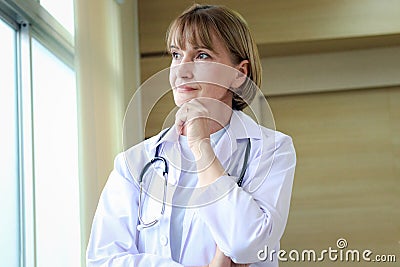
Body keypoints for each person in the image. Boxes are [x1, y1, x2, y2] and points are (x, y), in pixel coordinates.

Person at [86, 4, 296, 267]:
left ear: (239, 74)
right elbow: (104, 260)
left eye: (202, 56)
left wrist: (201, 147)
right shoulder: (135, 163)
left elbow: (247, 245)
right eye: (176, 54)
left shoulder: (272, 149)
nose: (181, 70)